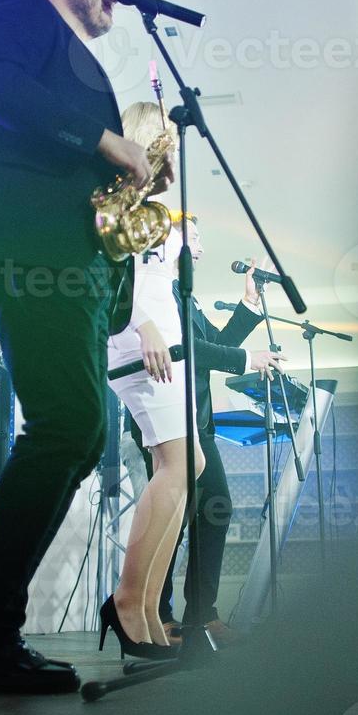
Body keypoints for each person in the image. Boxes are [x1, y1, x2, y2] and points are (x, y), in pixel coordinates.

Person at [0, 0, 170, 694]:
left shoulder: (86, 66)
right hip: (27, 250)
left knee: (77, 430)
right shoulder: (20, 5)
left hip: (65, 262)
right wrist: (108, 142)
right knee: (70, 426)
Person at [99, 101, 284, 657]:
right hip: (142, 339)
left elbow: (188, 315)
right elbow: (116, 271)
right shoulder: (122, 198)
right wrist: (145, 323)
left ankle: (148, 608)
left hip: (167, 344)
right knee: (181, 470)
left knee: (191, 468)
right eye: (169, 148)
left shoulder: (156, 208)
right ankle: (131, 602)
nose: (174, 159)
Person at [126, 211, 278, 649]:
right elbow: (193, 352)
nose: (201, 248)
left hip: (197, 421)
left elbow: (218, 344)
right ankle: (164, 614)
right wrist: (248, 361)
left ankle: (194, 615)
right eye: (193, 238)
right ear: (167, 241)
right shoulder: (156, 293)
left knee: (207, 509)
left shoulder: (184, 296)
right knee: (179, 513)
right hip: (166, 418)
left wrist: (248, 303)